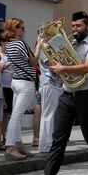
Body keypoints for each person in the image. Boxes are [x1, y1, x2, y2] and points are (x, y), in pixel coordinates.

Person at [27, 11, 88, 175]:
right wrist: (51, 60)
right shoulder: (66, 43)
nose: (74, 29)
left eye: (78, 26)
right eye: (73, 26)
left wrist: (64, 67)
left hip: (87, 96)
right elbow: (52, 64)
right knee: (58, 138)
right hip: (67, 95)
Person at [4, 18, 41, 160]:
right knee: (17, 115)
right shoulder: (21, 43)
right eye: (22, 28)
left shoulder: (9, 45)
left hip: (16, 81)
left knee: (16, 115)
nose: (24, 30)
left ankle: (18, 144)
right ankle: (10, 146)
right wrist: (39, 45)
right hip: (25, 82)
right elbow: (33, 61)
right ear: (14, 29)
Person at [36, 22, 64, 153]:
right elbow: (52, 64)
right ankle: (46, 145)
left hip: (57, 83)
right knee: (48, 114)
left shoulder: (51, 46)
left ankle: (52, 143)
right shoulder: (43, 47)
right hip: (49, 82)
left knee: (54, 114)